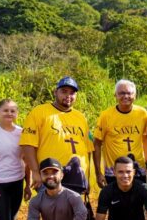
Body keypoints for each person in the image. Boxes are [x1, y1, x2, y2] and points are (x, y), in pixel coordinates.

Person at [21, 75, 93, 203]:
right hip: (50, 175)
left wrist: (87, 178)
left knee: (75, 213)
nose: (68, 96)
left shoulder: (80, 117)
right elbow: (27, 144)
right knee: (52, 212)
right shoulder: (39, 112)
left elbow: (88, 149)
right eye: (64, 91)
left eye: (72, 93)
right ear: (55, 92)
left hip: (77, 177)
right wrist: (35, 172)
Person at [93, 79, 147, 188]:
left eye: (129, 93)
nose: (126, 96)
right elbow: (97, 143)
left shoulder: (142, 114)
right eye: (122, 93)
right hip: (113, 172)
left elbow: (146, 138)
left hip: (137, 169)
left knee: (139, 198)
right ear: (115, 95)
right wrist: (98, 173)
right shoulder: (106, 116)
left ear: (135, 95)